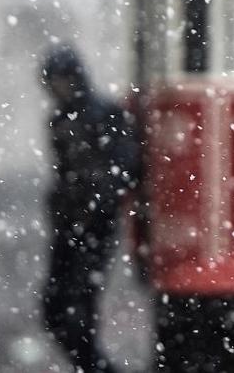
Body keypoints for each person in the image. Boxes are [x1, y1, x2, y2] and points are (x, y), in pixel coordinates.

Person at [39, 45, 139, 373]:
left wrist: (95, 197)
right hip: (70, 224)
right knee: (57, 309)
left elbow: (125, 166)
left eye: (62, 80)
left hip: (93, 224)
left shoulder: (102, 114)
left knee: (78, 309)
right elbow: (65, 170)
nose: (58, 88)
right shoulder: (59, 120)